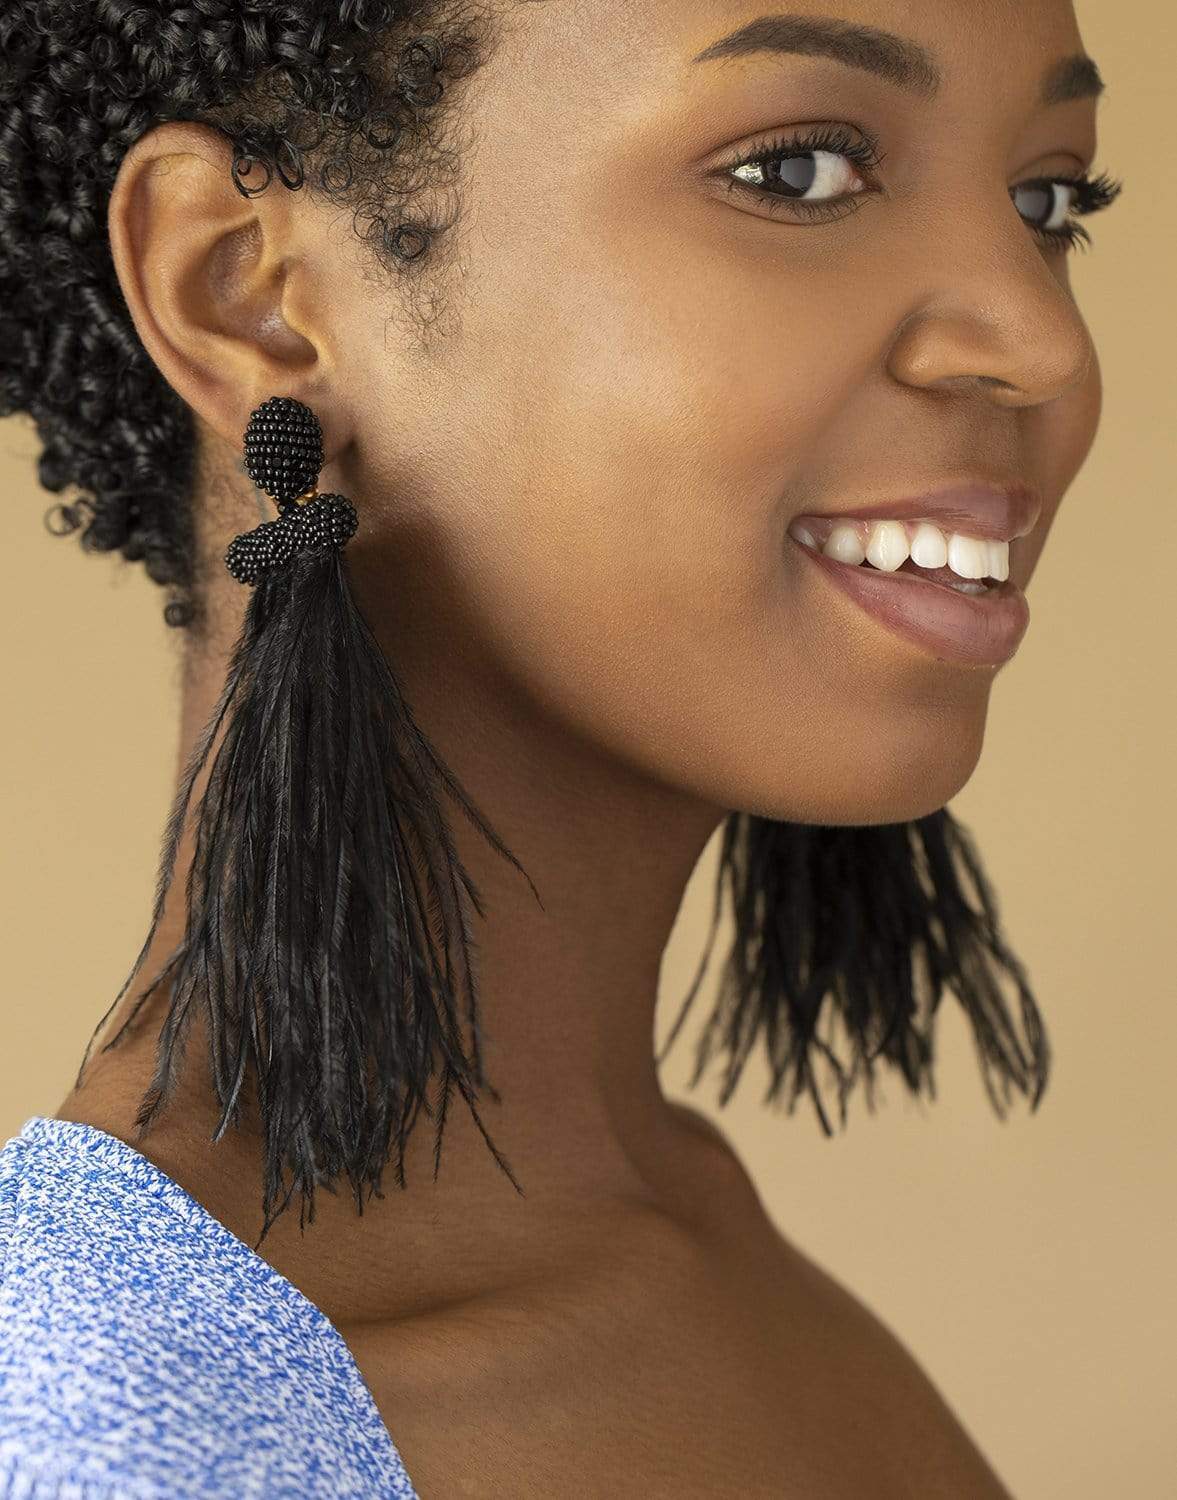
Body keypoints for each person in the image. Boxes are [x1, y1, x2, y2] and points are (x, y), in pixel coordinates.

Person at [0, 1, 1121, 1495]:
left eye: (1046, 201)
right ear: (249, 293)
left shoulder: (676, 1227)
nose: (1042, 344)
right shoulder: (107, 1437)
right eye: (796, 171)